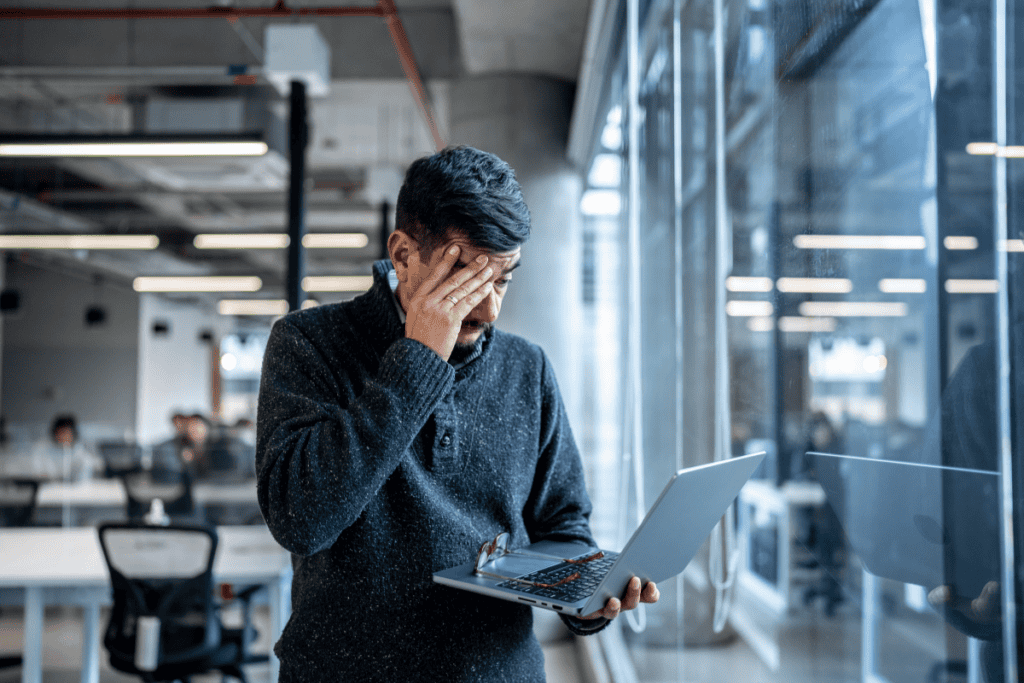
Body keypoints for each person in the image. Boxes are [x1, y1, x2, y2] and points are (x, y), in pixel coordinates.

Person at [256, 146, 659, 682]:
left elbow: (562, 523)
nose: (489, 307)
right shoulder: (308, 343)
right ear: (403, 255)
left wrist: (584, 596)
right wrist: (419, 360)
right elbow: (301, 520)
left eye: (504, 280)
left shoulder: (527, 368)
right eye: (466, 279)